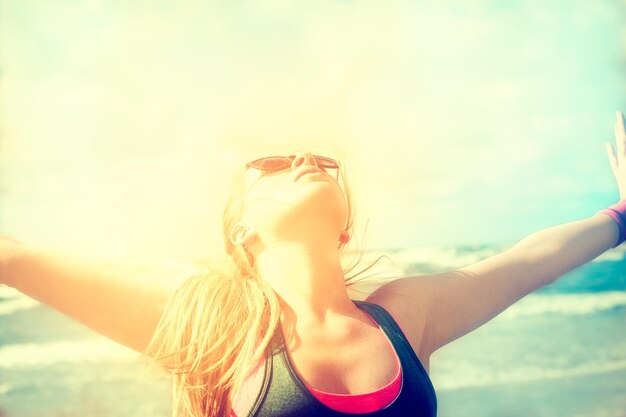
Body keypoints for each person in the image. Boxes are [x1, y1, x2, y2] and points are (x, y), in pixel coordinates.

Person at [1, 111, 625, 417]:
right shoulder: (212, 322)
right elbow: (17, 258)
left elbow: (526, 263)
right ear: (239, 229)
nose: (303, 160)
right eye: (271, 165)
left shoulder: (405, 314)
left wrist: (621, 215)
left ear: (344, 224)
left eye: (320, 160)